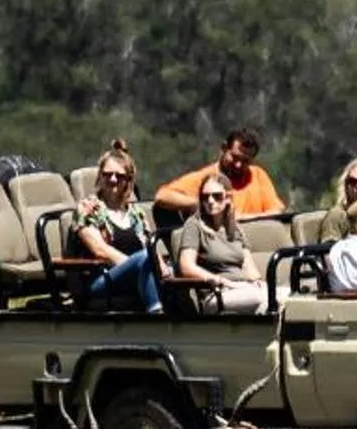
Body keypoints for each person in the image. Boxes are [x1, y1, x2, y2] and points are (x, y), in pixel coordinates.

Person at [72, 142, 163, 314]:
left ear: (128, 181)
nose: (113, 180)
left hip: (139, 273)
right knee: (145, 259)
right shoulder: (87, 208)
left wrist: (159, 266)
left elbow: (149, 245)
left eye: (119, 176)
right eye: (107, 175)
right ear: (100, 177)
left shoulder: (136, 212)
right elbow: (100, 250)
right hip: (102, 279)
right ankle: (157, 317)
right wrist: (139, 265)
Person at [171, 173, 266, 315]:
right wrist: (220, 280)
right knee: (264, 299)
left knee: (286, 295)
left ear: (228, 198)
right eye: (205, 197)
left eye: (217, 196)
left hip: (244, 287)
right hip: (216, 293)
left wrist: (258, 281)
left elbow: (249, 266)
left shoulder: (235, 227)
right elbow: (186, 266)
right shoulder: (194, 225)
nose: (210, 201)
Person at [155, 128, 285, 227]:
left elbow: (275, 212)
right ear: (224, 149)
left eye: (245, 161)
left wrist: (241, 218)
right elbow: (162, 196)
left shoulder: (257, 175)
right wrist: (204, 204)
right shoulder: (207, 177)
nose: (238, 165)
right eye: (234, 157)